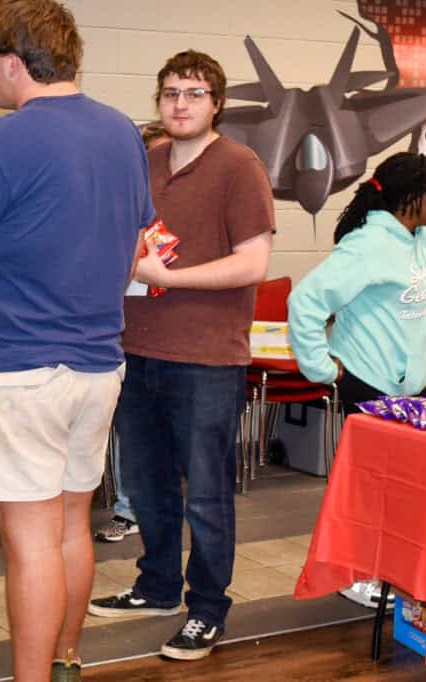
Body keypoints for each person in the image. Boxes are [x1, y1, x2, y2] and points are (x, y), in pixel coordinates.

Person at [0, 1, 155, 680]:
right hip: (97, 366)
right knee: (71, 524)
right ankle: (67, 661)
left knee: (30, 543)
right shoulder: (121, 134)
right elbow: (131, 251)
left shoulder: (1, 140)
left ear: (11, 61)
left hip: (15, 371)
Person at [87, 50, 274, 662]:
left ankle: (208, 608)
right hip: (136, 348)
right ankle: (159, 586)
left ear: (216, 103)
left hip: (206, 357)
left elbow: (253, 263)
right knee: (147, 485)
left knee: (208, 494)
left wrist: (168, 275)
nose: (180, 104)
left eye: (193, 93)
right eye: (170, 93)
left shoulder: (239, 166)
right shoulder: (147, 161)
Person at [287, 151, 426, 607]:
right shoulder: (368, 245)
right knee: (368, 488)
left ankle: (392, 567)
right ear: (411, 199)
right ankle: (355, 576)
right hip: (370, 384)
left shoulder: (417, 235)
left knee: (404, 489)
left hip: (413, 385)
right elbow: (306, 302)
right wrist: (321, 367)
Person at [95, 120, 171, 545]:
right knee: (129, 423)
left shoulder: (183, 206)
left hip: (175, 330)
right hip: (121, 331)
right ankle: (127, 508)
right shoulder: (117, 205)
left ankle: (163, 505)